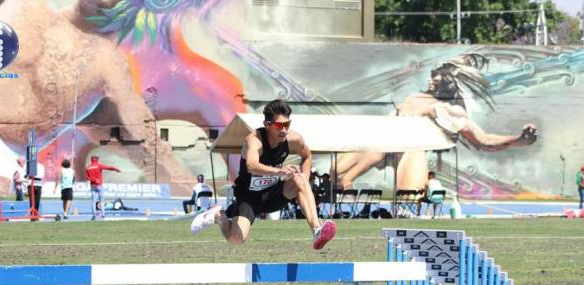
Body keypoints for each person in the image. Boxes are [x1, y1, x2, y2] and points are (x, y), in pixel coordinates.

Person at [335, 54, 538, 190]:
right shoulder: (414, 98)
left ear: (448, 83)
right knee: (337, 174)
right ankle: (343, 191)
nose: (430, 80)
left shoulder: (449, 110)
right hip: (382, 145)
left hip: (408, 153)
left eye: (436, 78)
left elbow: (484, 140)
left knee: (409, 200)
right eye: (432, 76)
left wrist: (519, 139)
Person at [191, 99, 336, 249]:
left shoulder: (293, 139)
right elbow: (251, 166)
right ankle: (219, 216)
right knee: (236, 239)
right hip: (249, 198)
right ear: (267, 124)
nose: (284, 130)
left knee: (299, 178)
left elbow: (307, 155)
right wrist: (279, 171)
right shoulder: (254, 140)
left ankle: (317, 230)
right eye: (279, 125)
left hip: (273, 194)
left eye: (287, 124)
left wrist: (304, 184)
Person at [85, 155, 121, 220]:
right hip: (99, 185)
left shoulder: (88, 167)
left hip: (92, 186)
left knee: (93, 201)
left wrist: (93, 180)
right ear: (97, 160)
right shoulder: (98, 165)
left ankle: (94, 216)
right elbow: (108, 168)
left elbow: (87, 177)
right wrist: (116, 169)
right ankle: (103, 214)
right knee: (102, 201)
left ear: (91, 160)